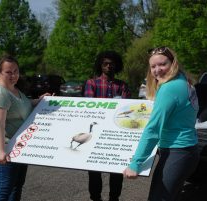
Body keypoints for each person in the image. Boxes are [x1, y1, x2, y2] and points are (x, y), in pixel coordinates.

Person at [123, 46, 199, 201]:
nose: (158, 70)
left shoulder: (169, 88)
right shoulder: (183, 81)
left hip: (177, 152)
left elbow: (153, 130)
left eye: (162, 64)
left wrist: (136, 163)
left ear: (173, 63)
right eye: (153, 66)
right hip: (187, 150)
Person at [0, 54, 51, 201]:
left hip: (18, 146)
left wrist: (38, 101)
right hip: (5, 146)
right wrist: (1, 151)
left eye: (16, 71)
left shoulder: (13, 89)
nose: (13, 75)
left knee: (16, 186)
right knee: (5, 187)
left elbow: (22, 105)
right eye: (8, 72)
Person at [84, 50, 131, 201]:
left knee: (117, 170)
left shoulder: (122, 85)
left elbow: (127, 110)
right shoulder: (92, 83)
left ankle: (114, 198)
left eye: (112, 64)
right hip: (96, 133)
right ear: (100, 65)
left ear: (116, 66)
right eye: (105, 64)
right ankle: (95, 198)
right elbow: (90, 108)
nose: (109, 66)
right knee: (94, 170)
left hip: (116, 134)